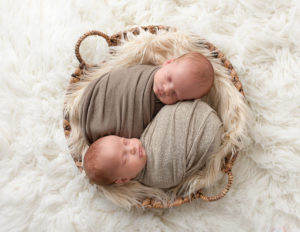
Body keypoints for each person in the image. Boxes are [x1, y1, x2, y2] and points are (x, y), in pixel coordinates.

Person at [79, 52, 215, 145]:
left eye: (175, 94)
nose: (166, 89)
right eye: (169, 78)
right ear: (168, 62)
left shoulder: (164, 113)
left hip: (106, 135)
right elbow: (120, 78)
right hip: (96, 96)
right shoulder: (145, 69)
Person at [83, 100, 223, 189]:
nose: (131, 148)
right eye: (125, 158)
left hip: (198, 112)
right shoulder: (156, 178)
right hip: (207, 137)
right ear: (124, 179)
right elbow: (177, 177)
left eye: (125, 142)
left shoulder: (146, 136)